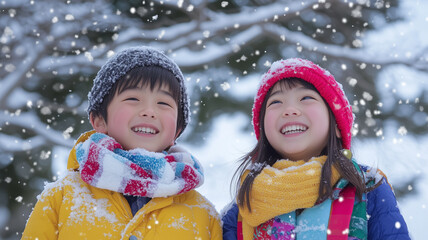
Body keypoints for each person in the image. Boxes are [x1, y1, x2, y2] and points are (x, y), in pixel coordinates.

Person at [22, 46, 222, 239]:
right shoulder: (63, 197)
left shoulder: (203, 215)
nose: (149, 111)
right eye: (133, 98)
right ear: (99, 120)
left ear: (177, 130)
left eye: (163, 103)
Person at [222, 58, 410, 240]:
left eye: (306, 98)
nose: (290, 110)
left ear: (337, 125)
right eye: (276, 102)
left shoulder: (368, 189)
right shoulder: (244, 205)